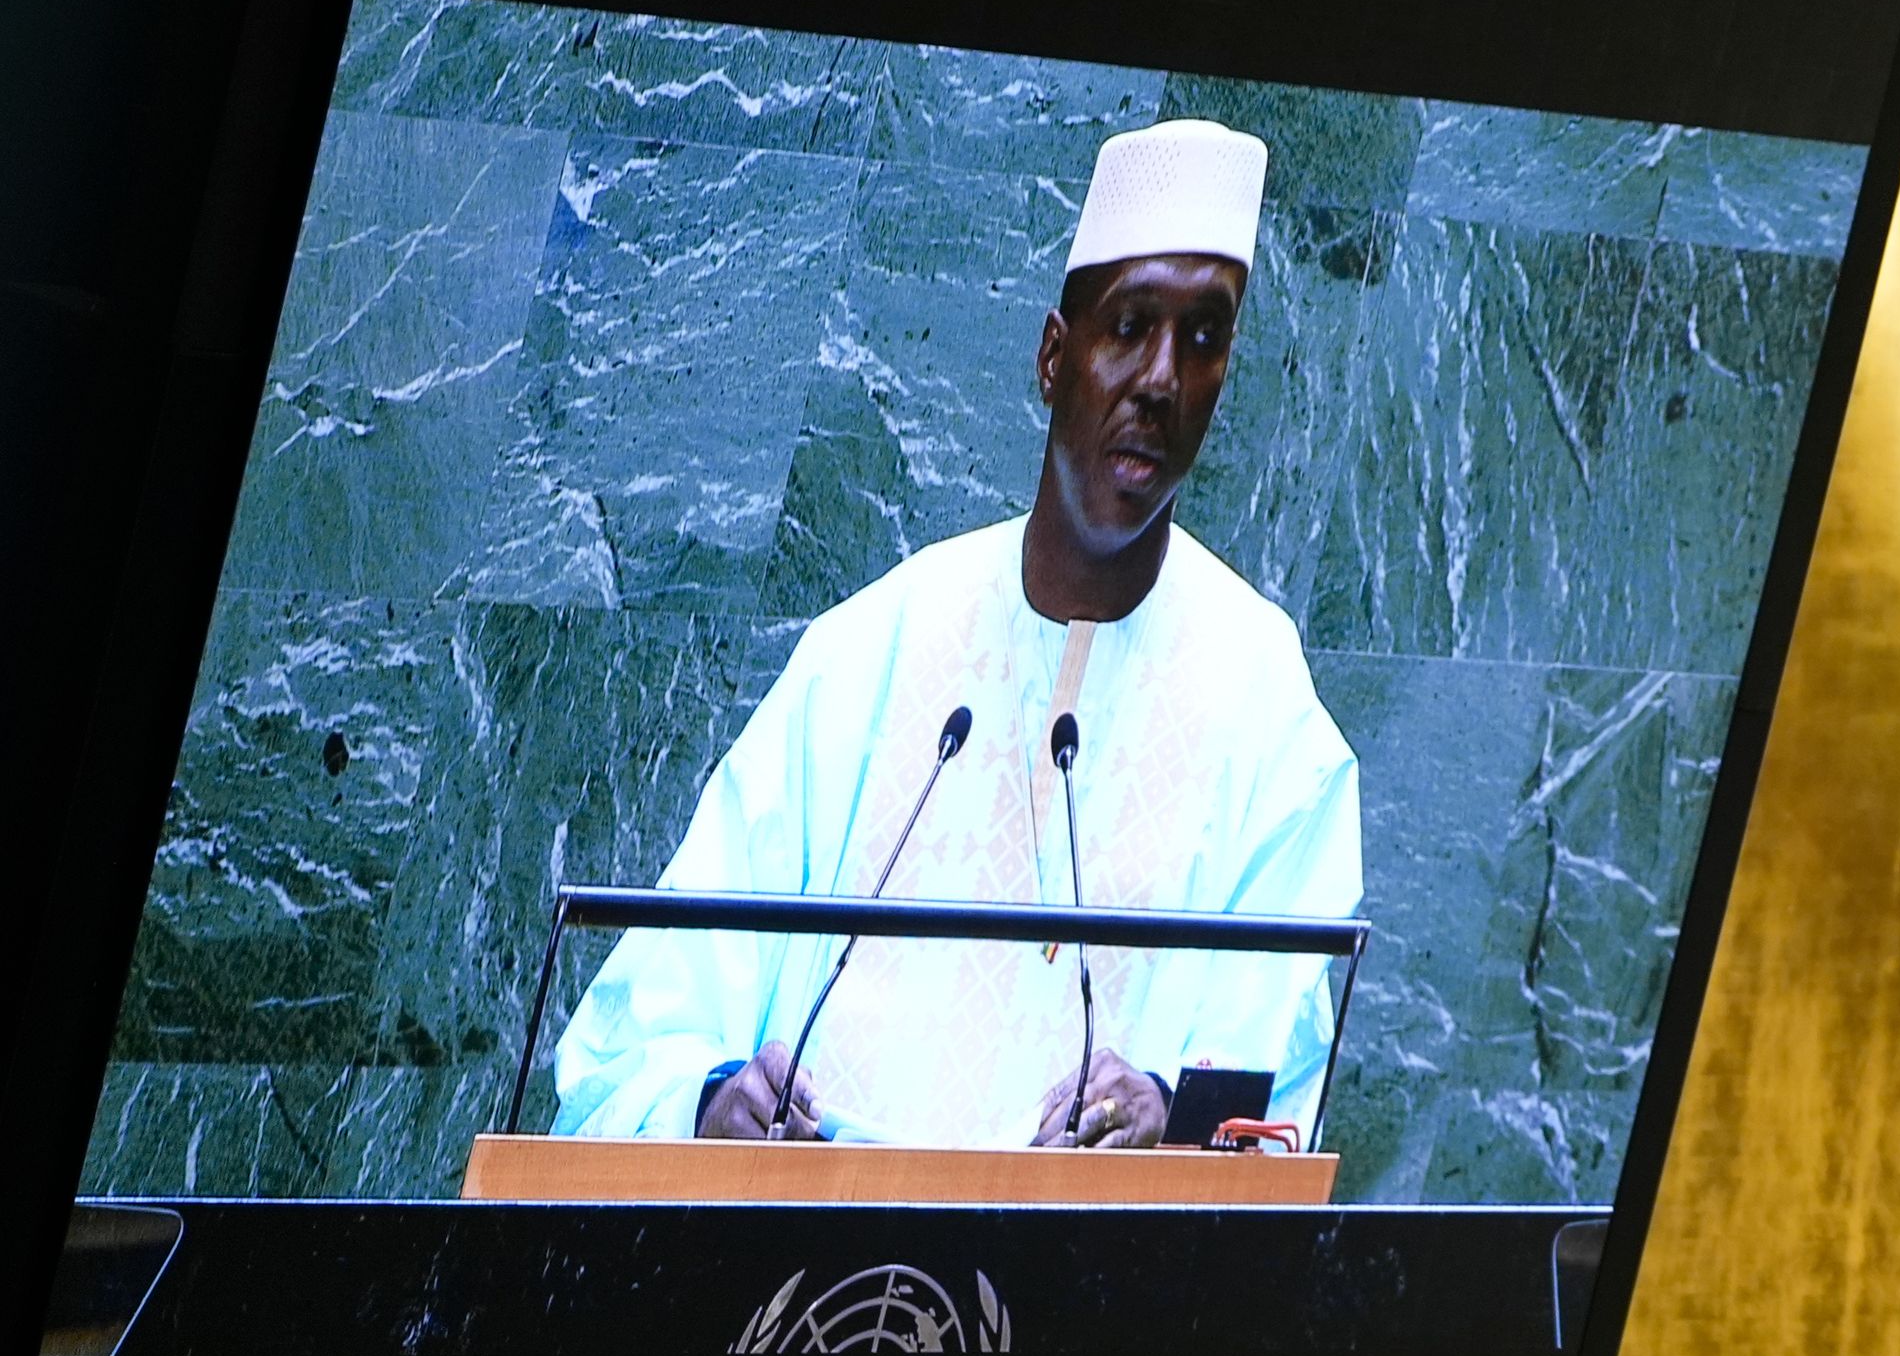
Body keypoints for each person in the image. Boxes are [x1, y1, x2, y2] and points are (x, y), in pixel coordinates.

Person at [549, 119, 1362, 1149]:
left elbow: (1275, 1084)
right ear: (1054, 356)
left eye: (1203, 337)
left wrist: (1165, 1106)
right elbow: (647, 1019)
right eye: (1130, 325)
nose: (1162, 378)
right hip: (802, 1280)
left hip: (1091, 1279)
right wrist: (712, 1097)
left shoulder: (1261, 697)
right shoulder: (874, 647)